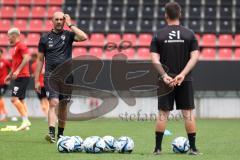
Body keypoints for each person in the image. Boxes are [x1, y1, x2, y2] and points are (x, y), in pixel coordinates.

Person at [150, 2, 200, 155]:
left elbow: (154, 59)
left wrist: (165, 76)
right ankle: (193, 148)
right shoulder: (190, 34)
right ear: (180, 14)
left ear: (165, 15)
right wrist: (183, 74)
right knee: (188, 113)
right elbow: (195, 57)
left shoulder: (158, 35)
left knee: (163, 113)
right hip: (184, 80)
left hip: (165, 81)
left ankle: (158, 149)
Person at [35, 12, 87, 143]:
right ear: (52, 21)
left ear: (64, 21)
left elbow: (84, 37)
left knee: (63, 105)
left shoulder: (69, 35)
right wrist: (36, 80)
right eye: (56, 19)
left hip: (67, 76)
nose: (59, 21)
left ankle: (60, 135)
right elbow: (40, 60)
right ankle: (51, 133)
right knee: (54, 102)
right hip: (51, 75)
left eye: (61, 20)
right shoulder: (44, 38)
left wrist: (70, 24)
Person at [5, 28, 31, 130]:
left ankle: (25, 121)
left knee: (13, 99)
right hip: (19, 76)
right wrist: (10, 74)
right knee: (21, 100)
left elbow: (27, 58)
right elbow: (15, 64)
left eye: (9, 36)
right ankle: (26, 124)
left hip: (22, 76)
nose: (8, 38)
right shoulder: (15, 48)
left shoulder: (21, 45)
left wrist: (18, 71)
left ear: (14, 36)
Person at [30, 53, 49, 117]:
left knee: (42, 101)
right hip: (44, 84)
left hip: (38, 85)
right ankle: (50, 115)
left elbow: (35, 74)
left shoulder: (33, 65)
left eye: (32, 57)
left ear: (34, 57)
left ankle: (47, 115)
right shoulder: (43, 63)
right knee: (46, 100)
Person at [0, 48, 11, 121]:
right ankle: (4, 114)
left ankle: (3, 115)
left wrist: (8, 78)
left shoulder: (5, 61)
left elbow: (12, 69)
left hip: (3, 82)